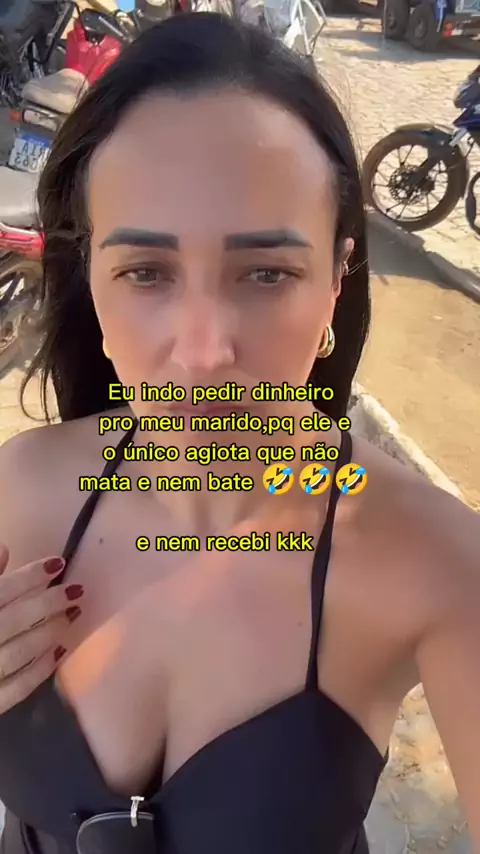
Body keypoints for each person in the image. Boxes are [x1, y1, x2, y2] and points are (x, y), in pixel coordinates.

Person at [0, 11, 478, 854]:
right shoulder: (21, 493)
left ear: (336, 279)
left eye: (265, 273)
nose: (204, 352)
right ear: (92, 280)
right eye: (146, 272)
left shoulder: (436, 560)